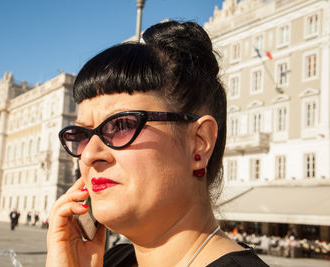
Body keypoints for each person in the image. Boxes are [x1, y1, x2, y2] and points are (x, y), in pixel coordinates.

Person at [47, 20, 268, 266]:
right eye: (82, 135)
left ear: (200, 142)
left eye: (121, 125)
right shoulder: (112, 260)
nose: (89, 155)